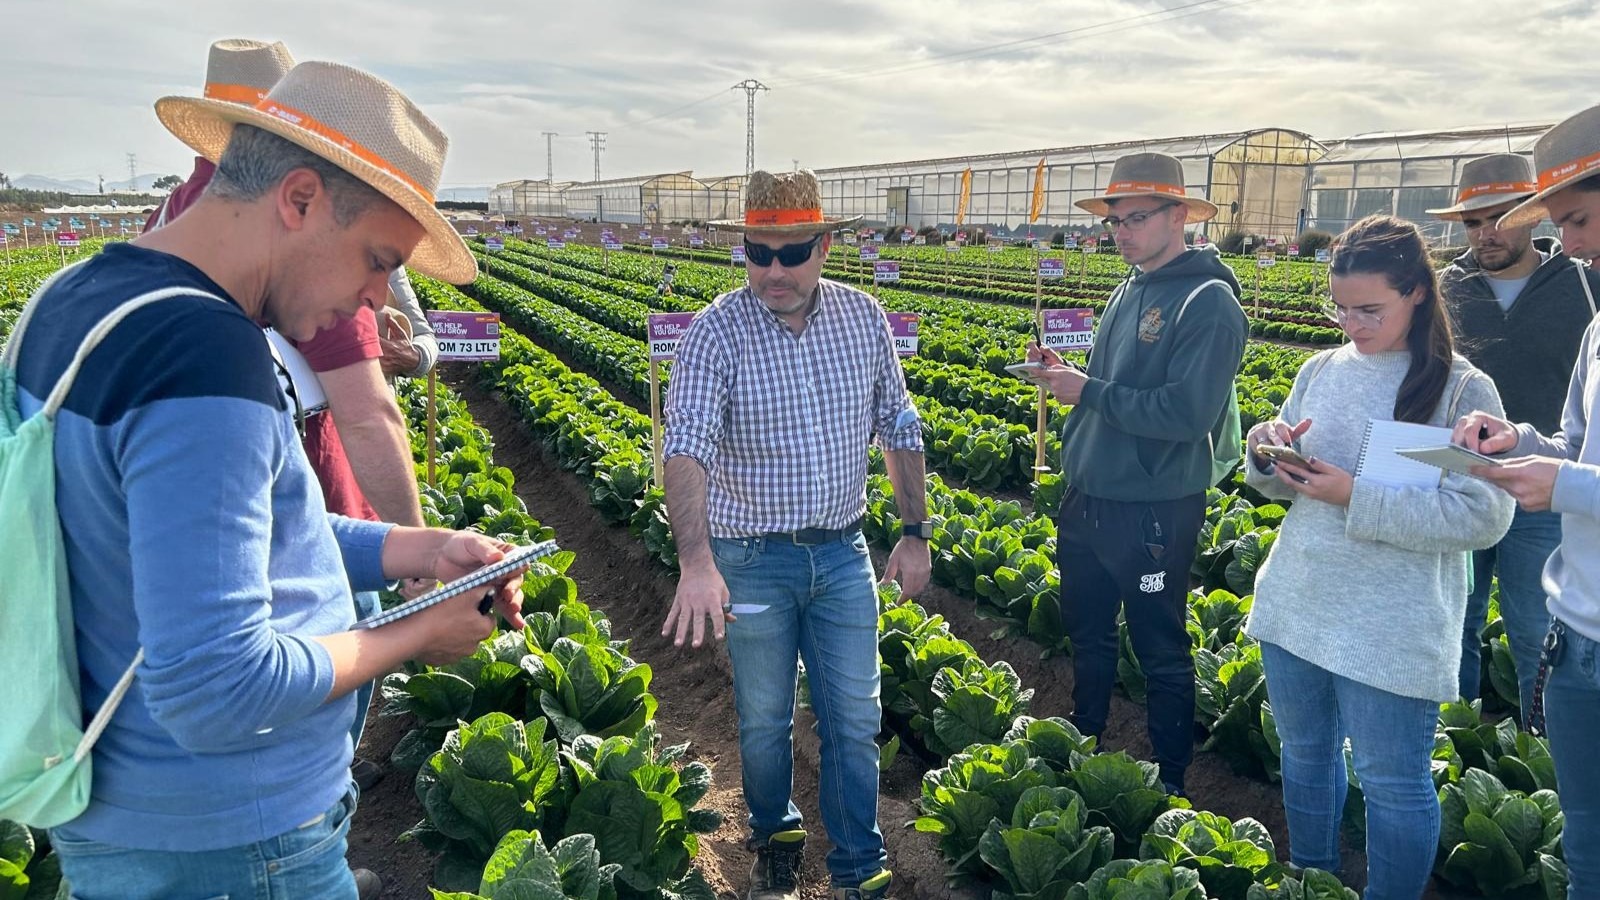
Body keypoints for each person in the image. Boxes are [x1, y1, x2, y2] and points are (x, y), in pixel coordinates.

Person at [17, 61, 525, 900]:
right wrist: (417, 634)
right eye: (376, 260)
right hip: (232, 843)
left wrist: (413, 547)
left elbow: (209, 539)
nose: (375, 298)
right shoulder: (206, 359)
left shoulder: (75, 300)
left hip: (131, 817)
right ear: (297, 199)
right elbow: (218, 689)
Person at [661, 169, 928, 900]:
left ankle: (858, 867)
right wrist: (696, 560)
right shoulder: (717, 329)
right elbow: (684, 445)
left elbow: (898, 424)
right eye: (758, 252)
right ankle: (775, 836)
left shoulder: (863, 317)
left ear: (825, 246)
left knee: (853, 718)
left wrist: (914, 532)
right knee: (764, 722)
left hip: (843, 555)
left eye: (792, 251)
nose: (773, 270)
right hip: (749, 562)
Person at [1246, 215, 1515, 899]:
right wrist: (1266, 447)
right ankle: (1314, 878)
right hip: (1298, 599)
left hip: (1392, 622)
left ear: (1418, 293)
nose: (1351, 324)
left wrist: (1352, 495)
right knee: (1304, 757)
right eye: (1339, 307)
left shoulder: (1461, 388)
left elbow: (1484, 516)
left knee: (1393, 783)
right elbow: (1279, 481)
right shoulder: (1320, 368)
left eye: (1370, 309)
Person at [1025, 151, 1248, 796]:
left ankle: (1171, 787)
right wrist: (1066, 376)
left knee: (1161, 650)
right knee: (1087, 635)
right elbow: (1117, 384)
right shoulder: (1130, 287)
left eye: (1135, 218)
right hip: (1089, 497)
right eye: (1114, 220)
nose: (1120, 231)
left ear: (1179, 215)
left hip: (1152, 508)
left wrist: (1086, 390)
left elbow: (1186, 414)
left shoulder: (1209, 302)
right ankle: (1085, 743)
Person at [1455, 101, 1600, 900]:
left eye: (1576, 219)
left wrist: (1565, 485)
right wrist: (1522, 442)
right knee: (1586, 851)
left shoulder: (1573, 294)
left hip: (1562, 559)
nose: (1570, 245)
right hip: (1580, 631)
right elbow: (1575, 444)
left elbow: (1579, 475)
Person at [1429, 154, 1599, 714]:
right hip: (1464, 482)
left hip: (1552, 490)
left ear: (1534, 217)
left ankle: (1537, 756)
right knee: (1456, 620)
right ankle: (1458, 742)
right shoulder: (1444, 292)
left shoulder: (1583, 286)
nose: (1486, 233)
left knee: (1535, 629)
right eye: (1473, 223)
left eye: (1501, 216)